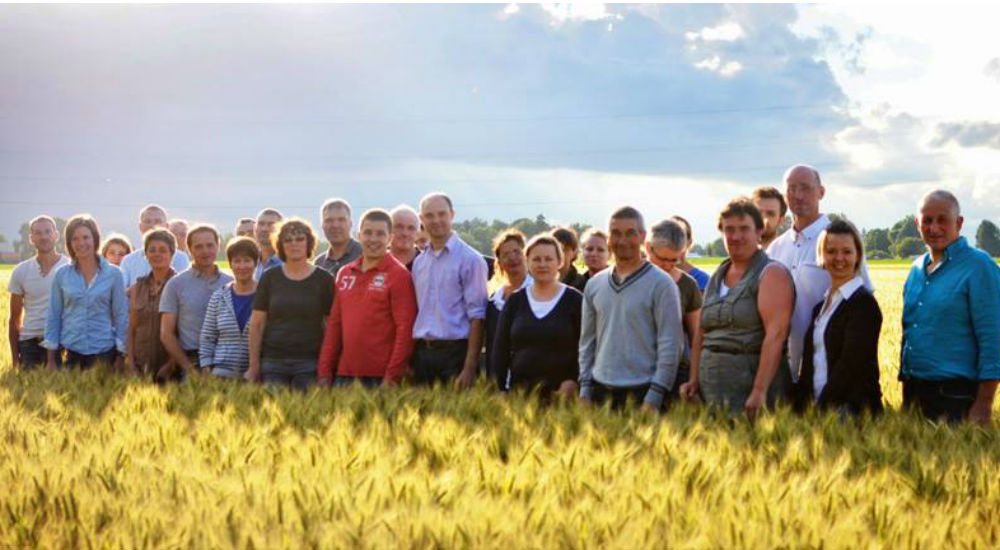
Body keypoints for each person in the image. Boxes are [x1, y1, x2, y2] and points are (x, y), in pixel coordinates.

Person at [681, 198, 794, 416]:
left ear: (759, 232)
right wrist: (694, 379)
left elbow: (776, 335)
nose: (736, 236)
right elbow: (701, 333)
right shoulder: (718, 274)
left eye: (744, 229)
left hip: (750, 391)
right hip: (711, 391)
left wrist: (759, 391)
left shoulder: (771, 274)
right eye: (729, 229)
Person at [900, 190, 1000, 424]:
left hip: (956, 396)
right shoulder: (915, 270)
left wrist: (984, 403)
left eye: (942, 219)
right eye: (927, 220)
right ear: (917, 224)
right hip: (913, 393)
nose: (934, 228)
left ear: (960, 222)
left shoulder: (979, 266)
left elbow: (993, 336)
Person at [766, 165, 872, 385]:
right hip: (780, 369)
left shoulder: (840, 242)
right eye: (791, 188)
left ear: (821, 192)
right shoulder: (776, 248)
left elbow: (863, 303)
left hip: (827, 372)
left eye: (805, 188)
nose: (798, 195)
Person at [579, 206, 684, 410]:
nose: (623, 240)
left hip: (644, 392)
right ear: (608, 238)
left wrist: (656, 394)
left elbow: (671, 343)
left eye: (630, 233)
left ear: (643, 236)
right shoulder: (594, 284)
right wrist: (585, 388)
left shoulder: (662, 284)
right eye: (616, 234)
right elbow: (587, 341)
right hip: (600, 392)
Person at [792, 220, 883, 416]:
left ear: (858, 256)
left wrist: (821, 409)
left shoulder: (863, 305)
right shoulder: (820, 307)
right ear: (821, 255)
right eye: (831, 251)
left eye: (847, 251)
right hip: (819, 409)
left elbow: (851, 364)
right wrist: (800, 408)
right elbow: (810, 363)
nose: (839, 258)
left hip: (851, 414)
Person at [317, 209, 417, 388]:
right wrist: (324, 371)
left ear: (390, 238)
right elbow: (334, 325)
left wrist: (392, 376)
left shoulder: (399, 275)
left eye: (380, 234)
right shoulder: (345, 273)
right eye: (368, 233)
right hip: (344, 375)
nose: (373, 239)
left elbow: (405, 329)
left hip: (380, 377)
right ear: (359, 235)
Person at [411, 192, 489, 387]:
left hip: (456, 355)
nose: (436, 220)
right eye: (429, 215)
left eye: (441, 214)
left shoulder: (471, 260)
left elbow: (477, 317)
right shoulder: (419, 263)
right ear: (421, 219)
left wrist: (470, 367)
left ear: (452, 215)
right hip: (423, 355)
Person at [246, 218, 334, 389]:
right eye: (288, 240)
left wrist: (327, 368)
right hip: (273, 362)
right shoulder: (270, 277)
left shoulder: (324, 279)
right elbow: (257, 323)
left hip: (310, 363)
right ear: (280, 245)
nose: (294, 244)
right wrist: (254, 365)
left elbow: (330, 325)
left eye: (300, 239)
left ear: (309, 243)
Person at [492, 235, 582, 398]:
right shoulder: (515, 301)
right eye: (536, 259)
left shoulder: (574, 300)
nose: (542, 264)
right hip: (519, 396)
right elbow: (500, 349)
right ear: (527, 262)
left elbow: (586, 346)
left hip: (562, 397)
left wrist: (575, 380)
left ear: (559, 262)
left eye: (548, 259)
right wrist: (500, 388)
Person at [43, 215, 127, 370]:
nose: (81, 243)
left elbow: (121, 316)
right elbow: (53, 315)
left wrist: (121, 357)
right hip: (71, 354)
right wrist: (51, 359)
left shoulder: (114, 274)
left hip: (105, 354)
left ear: (95, 238)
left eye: (86, 237)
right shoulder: (61, 275)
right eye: (75, 239)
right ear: (69, 242)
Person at [159, 224, 233, 381]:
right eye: (198, 247)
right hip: (193, 359)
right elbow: (166, 334)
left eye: (210, 245)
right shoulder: (176, 284)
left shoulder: (232, 282)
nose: (205, 251)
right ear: (189, 250)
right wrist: (189, 369)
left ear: (218, 246)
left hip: (230, 358)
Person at [644, 219, 703, 395]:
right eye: (662, 259)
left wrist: (694, 379)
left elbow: (696, 338)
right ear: (648, 247)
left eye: (674, 260)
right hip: (635, 373)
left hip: (675, 374)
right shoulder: (631, 280)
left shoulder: (688, 285)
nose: (667, 266)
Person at [7, 216, 70, 369]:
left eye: (48, 232)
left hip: (62, 342)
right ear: (31, 238)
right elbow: (14, 319)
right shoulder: (21, 271)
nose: (43, 236)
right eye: (38, 233)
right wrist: (15, 360)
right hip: (30, 343)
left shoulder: (70, 267)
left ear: (56, 235)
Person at [200, 237, 260, 380]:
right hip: (221, 372)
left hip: (255, 374)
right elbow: (208, 336)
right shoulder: (219, 296)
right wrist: (207, 367)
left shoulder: (266, 295)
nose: (242, 266)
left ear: (255, 263)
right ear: (230, 264)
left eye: (247, 260)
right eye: (237, 261)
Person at [484, 228, 532, 388]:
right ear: (499, 262)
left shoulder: (538, 293)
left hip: (530, 378)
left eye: (516, 251)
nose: (512, 258)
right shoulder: (494, 300)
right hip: (499, 381)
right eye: (505, 254)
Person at [126, 229, 176, 378]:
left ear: (171, 254)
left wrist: (172, 364)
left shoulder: (180, 286)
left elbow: (184, 332)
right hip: (141, 366)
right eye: (152, 250)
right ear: (146, 255)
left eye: (163, 250)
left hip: (170, 368)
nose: (157, 254)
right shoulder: (137, 288)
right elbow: (132, 329)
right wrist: (131, 362)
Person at [120, 204, 190, 289]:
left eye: (157, 221)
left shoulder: (180, 258)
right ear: (140, 226)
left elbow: (185, 289)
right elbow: (122, 291)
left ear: (167, 226)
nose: (152, 226)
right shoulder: (128, 261)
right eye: (147, 221)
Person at [314, 198, 362, 276]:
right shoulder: (319, 263)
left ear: (350, 223)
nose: (335, 225)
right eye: (329, 220)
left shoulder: (364, 255)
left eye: (341, 220)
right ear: (322, 225)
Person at [670, 215, 710, 291]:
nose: (674, 242)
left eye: (680, 237)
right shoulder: (656, 276)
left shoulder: (702, 279)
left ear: (689, 242)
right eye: (670, 236)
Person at [551, 227, 587, 291]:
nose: (560, 254)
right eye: (557, 250)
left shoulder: (582, 283)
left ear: (573, 252)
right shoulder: (541, 280)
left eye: (565, 250)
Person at [254, 208, 284, 280]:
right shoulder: (249, 262)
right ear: (255, 228)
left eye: (271, 224)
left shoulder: (289, 264)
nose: (264, 229)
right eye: (261, 224)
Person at [389, 204, 422, 270]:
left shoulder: (426, 263)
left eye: (411, 228)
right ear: (388, 230)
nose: (405, 233)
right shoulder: (378, 261)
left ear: (418, 233)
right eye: (399, 227)